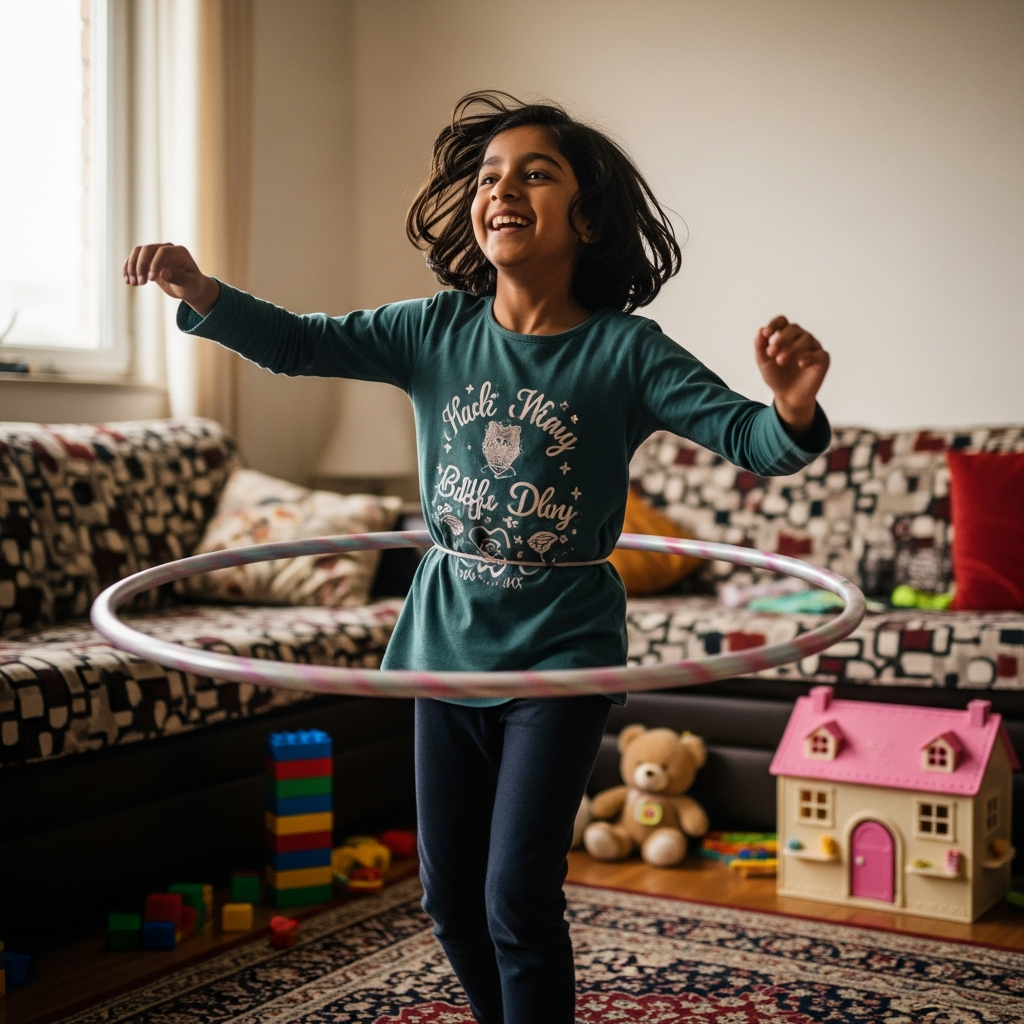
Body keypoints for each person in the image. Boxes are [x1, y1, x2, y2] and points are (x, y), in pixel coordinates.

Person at [124, 91, 830, 1024]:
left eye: (536, 173)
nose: (503, 188)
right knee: (450, 899)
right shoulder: (434, 330)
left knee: (516, 897)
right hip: (445, 646)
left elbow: (751, 438)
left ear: (587, 217)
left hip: (562, 656)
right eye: (490, 175)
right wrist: (202, 293)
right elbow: (297, 344)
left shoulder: (624, 352)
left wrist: (790, 407)